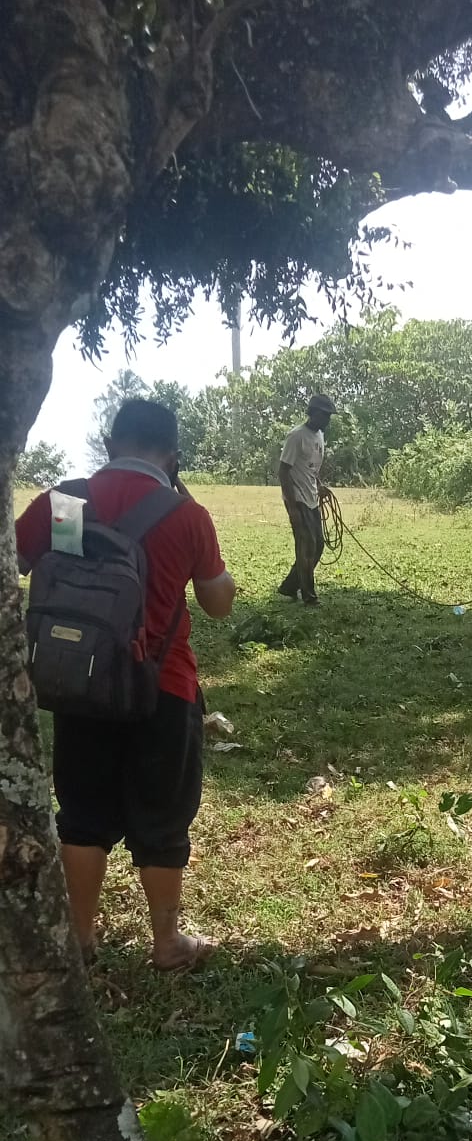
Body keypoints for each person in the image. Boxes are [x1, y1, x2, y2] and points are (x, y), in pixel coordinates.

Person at [15, 398, 236, 970]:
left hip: (81, 680)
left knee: (83, 814)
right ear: (174, 457)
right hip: (163, 685)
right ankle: (167, 943)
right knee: (162, 818)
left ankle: (81, 941)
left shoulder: (68, 502)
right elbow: (219, 604)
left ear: (109, 445)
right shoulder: (185, 514)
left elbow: (17, 561)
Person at [277, 393, 336, 604]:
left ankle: (289, 586)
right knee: (306, 547)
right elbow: (283, 471)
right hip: (298, 499)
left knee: (317, 545)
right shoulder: (296, 436)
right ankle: (309, 595)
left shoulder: (319, 435)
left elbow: (310, 469)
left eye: (329, 416)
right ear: (313, 413)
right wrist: (292, 507)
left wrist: (319, 486)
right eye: (325, 415)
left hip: (311, 498)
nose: (327, 419)